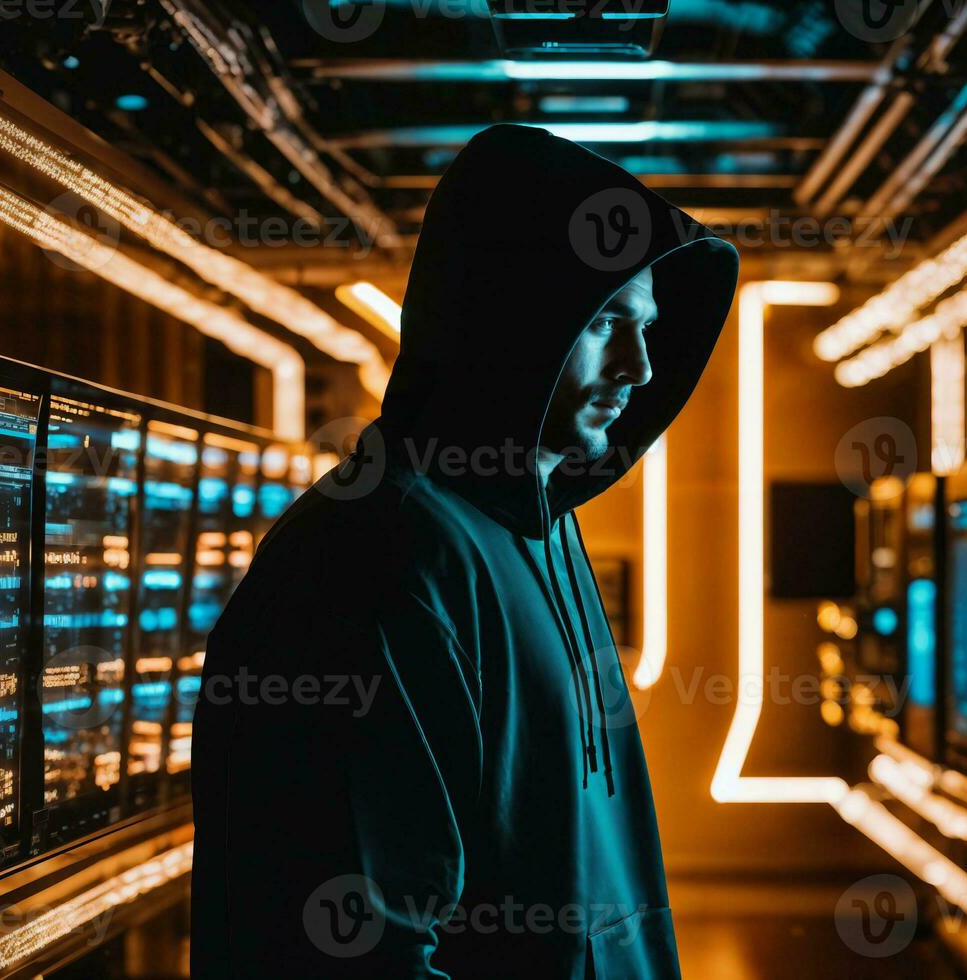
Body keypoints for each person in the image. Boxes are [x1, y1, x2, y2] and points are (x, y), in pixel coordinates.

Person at [190, 123, 738, 978]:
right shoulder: (380, 555)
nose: (638, 367)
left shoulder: (540, 519)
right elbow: (357, 954)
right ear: (510, 317)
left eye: (647, 328)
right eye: (605, 323)